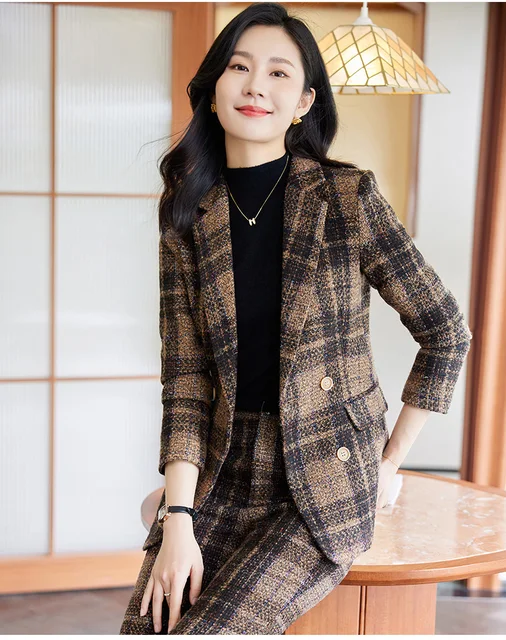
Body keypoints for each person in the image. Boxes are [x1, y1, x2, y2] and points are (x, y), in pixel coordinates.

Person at [120, 2, 472, 635]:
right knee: (147, 629)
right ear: (214, 90)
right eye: (239, 67)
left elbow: (446, 330)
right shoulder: (188, 211)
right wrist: (178, 519)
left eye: (279, 73)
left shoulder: (346, 197)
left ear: (305, 102)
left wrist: (387, 464)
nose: (256, 85)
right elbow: (188, 381)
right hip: (225, 468)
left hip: (328, 470)